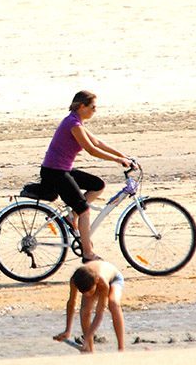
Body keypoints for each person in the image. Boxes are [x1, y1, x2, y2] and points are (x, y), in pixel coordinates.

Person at [40, 90, 133, 262]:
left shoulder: (77, 122)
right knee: (85, 211)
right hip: (55, 172)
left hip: (62, 169)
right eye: (92, 107)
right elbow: (91, 150)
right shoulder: (73, 124)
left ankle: (71, 216)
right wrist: (117, 160)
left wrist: (123, 156)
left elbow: (98, 143)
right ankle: (88, 254)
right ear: (82, 106)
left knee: (97, 185)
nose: (94, 110)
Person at [54, 259, 126, 352]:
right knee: (84, 312)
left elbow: (99, 314)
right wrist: (67, 330)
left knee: (113, 303)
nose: (88, 295)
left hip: (113, 279)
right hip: (90, 281)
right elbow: (71, 303)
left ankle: (121, 348)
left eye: (90, 291)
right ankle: (89, 350)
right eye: (83, 292)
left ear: (96, 282)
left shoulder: (102, 282)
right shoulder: (74, 280)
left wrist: (86, 337)